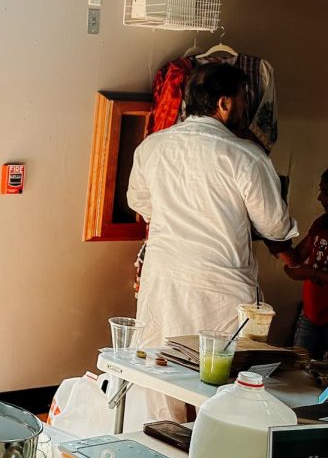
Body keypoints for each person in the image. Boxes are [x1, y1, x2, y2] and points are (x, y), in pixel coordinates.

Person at [127, 63, 297, 420]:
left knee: (161, 376)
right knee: (220, 390)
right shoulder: (246, 156)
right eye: (241, 99)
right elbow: (275, 225)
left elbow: (140, 204)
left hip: (165, 283)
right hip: (220, 290)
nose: (244, 108)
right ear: (224, 103)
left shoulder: (152, 148)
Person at [285, 169, 328, 360]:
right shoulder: (322, 223)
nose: (319, 197)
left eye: (326, 192)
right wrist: (279, 245)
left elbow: (309, 271)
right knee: (299, 369)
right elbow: (298, 255)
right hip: (311, 315)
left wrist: (311, 274)